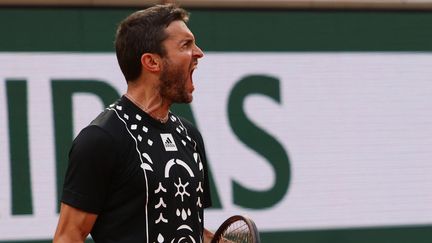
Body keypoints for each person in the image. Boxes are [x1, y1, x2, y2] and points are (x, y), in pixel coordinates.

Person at [53, 4, 214, 243]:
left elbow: (189, 226)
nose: (199, 53)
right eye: (186, 45)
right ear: (152, 62)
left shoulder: (190, 136)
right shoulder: (101, 139)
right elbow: (68, 236)